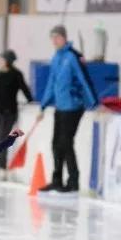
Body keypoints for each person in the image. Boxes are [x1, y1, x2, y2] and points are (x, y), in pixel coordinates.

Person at [35, 25, 99, 193]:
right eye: (52, 38)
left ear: (64, 38)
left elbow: (84, 79)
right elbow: (51, 83)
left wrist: (93, 103)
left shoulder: (72, 57)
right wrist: (43, 104)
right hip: (60, 107)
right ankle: (57, 179)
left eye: (57, 37)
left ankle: (73, 181)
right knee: (56, 143)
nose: (54, 41)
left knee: (66, 142)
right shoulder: (56, 58)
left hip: (74, 106)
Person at [0, 49, 33, 178]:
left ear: (7, 60)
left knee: (2, 139)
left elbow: (24, 88)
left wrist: (31, 101)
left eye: (2, 59)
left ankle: (2, 167)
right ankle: (0, 166)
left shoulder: (16, 74)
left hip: (9, 112)